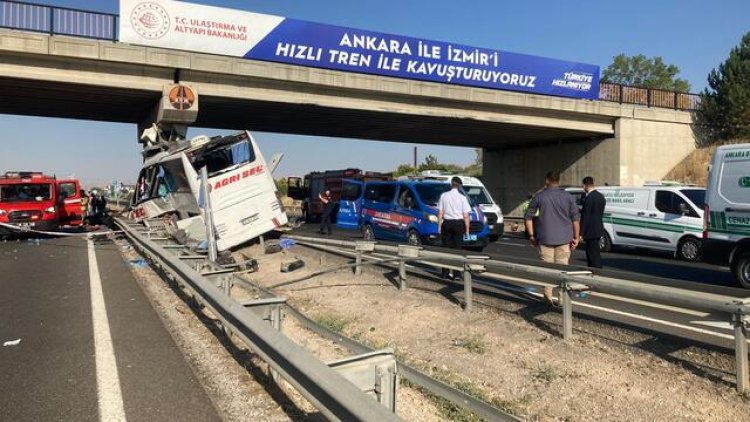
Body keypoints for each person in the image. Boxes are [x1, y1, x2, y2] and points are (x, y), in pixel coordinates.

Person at [524, 170, 580, 303]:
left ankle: (547, 297)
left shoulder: (539, 196)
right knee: (563, 271)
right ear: (558, 180)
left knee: (546, 271)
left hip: (545, 239)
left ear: (547, 180)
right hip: (564, 239)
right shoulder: (568, 197)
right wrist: (576, 237)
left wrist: (532, 236)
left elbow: (528, 217)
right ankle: (562, 298)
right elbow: (575, 219)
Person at [437, 176, 472, 279]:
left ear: (451, 184)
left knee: (446, 248)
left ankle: (445, 273)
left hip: (447, 223)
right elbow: (466, 215)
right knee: (457, 249)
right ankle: (457, 273)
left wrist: (439, 227)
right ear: (459, 185)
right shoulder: (462, 198)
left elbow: (440, 213)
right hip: (458, 224)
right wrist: (467, 230)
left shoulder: (444, 196)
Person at [580, 176, 606, 269]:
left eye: (582, 186)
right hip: (598, 228)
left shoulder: (589, 198)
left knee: (591, 255)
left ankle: (595, 272)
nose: (582, 188)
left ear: (585, 185)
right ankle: (598, 269)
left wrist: (581, 233)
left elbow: (586, 216)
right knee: (596, 252)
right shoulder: (600, 196)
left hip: (590, 230)